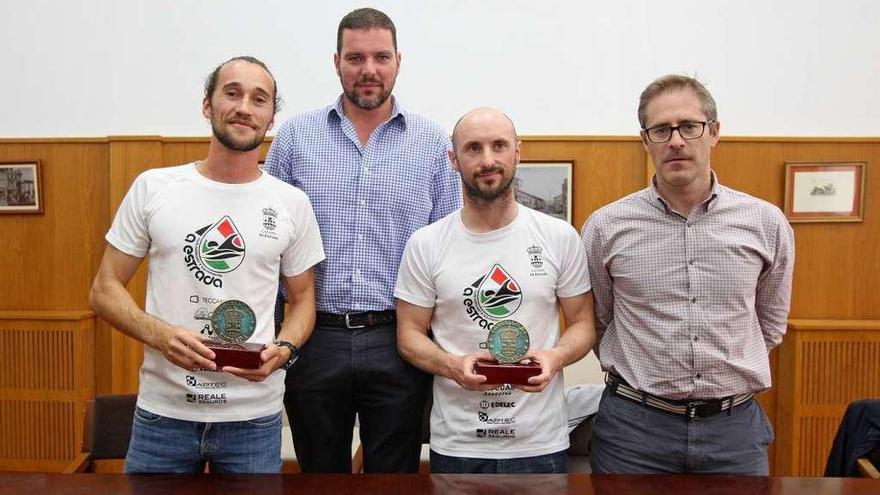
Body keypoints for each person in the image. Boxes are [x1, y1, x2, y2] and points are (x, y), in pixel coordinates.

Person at [89, 56, 325, 473]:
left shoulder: (291, 203)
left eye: (259, 99)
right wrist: (160, 335)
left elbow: (304, 300)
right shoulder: (154, 187)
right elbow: (104, 288)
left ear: (271, 118)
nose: (244, 108)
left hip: (252, 417)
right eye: (232, 93)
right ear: (207, 105)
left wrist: (285, 349)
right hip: (164, 414)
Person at [263, 7, 461, 473]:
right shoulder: (295, 137)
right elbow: (268, 229)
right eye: (355, 58)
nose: (368, 70)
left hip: (400, 338)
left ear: (398, 61)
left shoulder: (433, 143)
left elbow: (447, 248)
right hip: (313, 336)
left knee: (394, 476)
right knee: (319, 474)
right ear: (337, 62)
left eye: (380, 57)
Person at [581, 74, 795, 475]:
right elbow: (601, 320)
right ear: (645, 141)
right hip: (634, 432)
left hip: (734, 432)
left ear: (713, 133)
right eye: (661, 129)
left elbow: (770, 323)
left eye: (688, 126)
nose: (675, 140)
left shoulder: (765, 222)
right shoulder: (606, 226)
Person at [395, 107, 596, 474]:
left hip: (539, 443)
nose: (487, 160)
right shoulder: (426, 243)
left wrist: (556, 358)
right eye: (473, 148)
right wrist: (452, 365)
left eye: (498, 146)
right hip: (458, 444)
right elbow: (408, 335)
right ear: (453, 159)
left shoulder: (559, 237)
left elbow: (583, 323)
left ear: (517, 152)